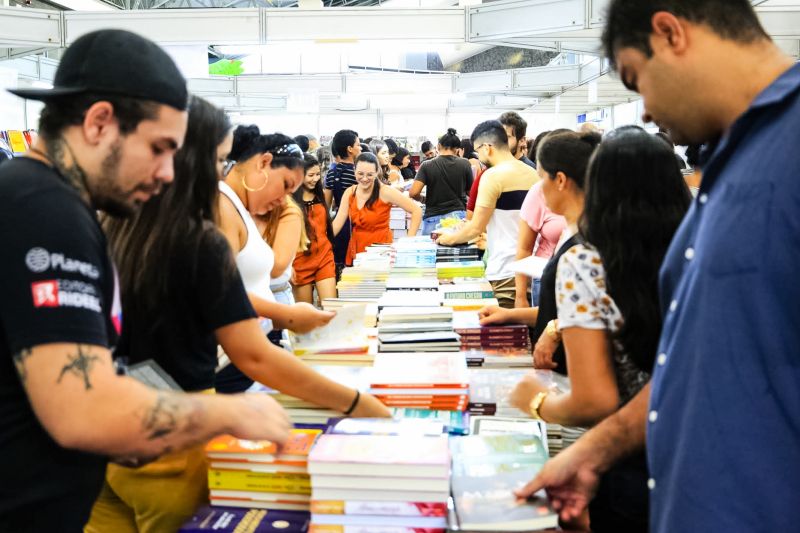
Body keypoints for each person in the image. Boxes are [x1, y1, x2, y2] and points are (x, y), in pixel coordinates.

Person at [515, 2, 800, 532]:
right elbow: (693, 361)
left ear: (670, 33)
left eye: (636, 79)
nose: (643, 110)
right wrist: (599, 449)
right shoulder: (726, 163)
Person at [0, 30, 291, 532]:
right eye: (158, 149)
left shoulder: (37, 200)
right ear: (98, 123)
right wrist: (227, 415)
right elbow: (81, 408)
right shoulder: (48, 211)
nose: (167, 174)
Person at [88, 97, 391, 532]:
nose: (220, 174)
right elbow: (255, 356)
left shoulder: (107, 226)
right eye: (216, 160)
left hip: (98, 438)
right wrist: (358, 402)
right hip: (173, 438)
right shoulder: (199, 240)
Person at [507, 127, 690, 532]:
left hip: (624, 457)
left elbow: (595, 400)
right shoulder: (696, 251)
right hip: (699, 449)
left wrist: (538, 402)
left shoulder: (587, 260)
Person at [215, 126, 333, 392]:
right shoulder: (224, 206)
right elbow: (222, 292)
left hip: (255, 341)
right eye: (285, 185)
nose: (284, 198)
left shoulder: (240, 206)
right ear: (263, 163)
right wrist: (288, 315)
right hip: (236, 353)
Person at [482, 130, 600, 376]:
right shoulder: (570, 232)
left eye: (541, 178)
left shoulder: (585, 245)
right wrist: (509, 315)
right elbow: (561, 310)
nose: (537, 189)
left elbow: (587, 320)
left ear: (559, 180)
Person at [437, 120, 538, 309]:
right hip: (530, 268)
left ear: (487, 147)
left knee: (506, 335)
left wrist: (447, 239)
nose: (478, 155)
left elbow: (476, 227)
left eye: (478, 150)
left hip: (504, 271)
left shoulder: (492, 176)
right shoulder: (532, 173)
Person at [332, 152, 422, 265]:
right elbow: (336, 224)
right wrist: (322, 242)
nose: (364, 179)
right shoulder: (350, 192)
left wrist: (408, 242)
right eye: (360, 174)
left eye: (370, 175)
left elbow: (416, 210)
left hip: (380, 253)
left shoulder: (385, 191)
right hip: (357, 251)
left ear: (377, 172)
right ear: (354, 170)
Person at [409, 128, 474, 235]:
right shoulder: (465, 164)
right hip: (457, 216)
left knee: (429, 250)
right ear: (457, 149)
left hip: (432, 217)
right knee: (455, 250)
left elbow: (413, 193)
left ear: (438, 146)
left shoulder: (426, 165)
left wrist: (423, 199)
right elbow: (471, 193)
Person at [292, 153, 337, 305]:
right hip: (299, 260)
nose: (316, 178)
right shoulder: (288, 201)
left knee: (332, 308)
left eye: (318, 174)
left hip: (324, 256)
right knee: (305, 317)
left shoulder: (320, 196)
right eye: (311, 175)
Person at [324, 129, 361, 277]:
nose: (361, 148)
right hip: (358, 222)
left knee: (341, 266)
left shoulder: (332, 173)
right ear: (350, 149)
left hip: (339, 222)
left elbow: (326, 204)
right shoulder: (358, 173)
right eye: (358, 145)